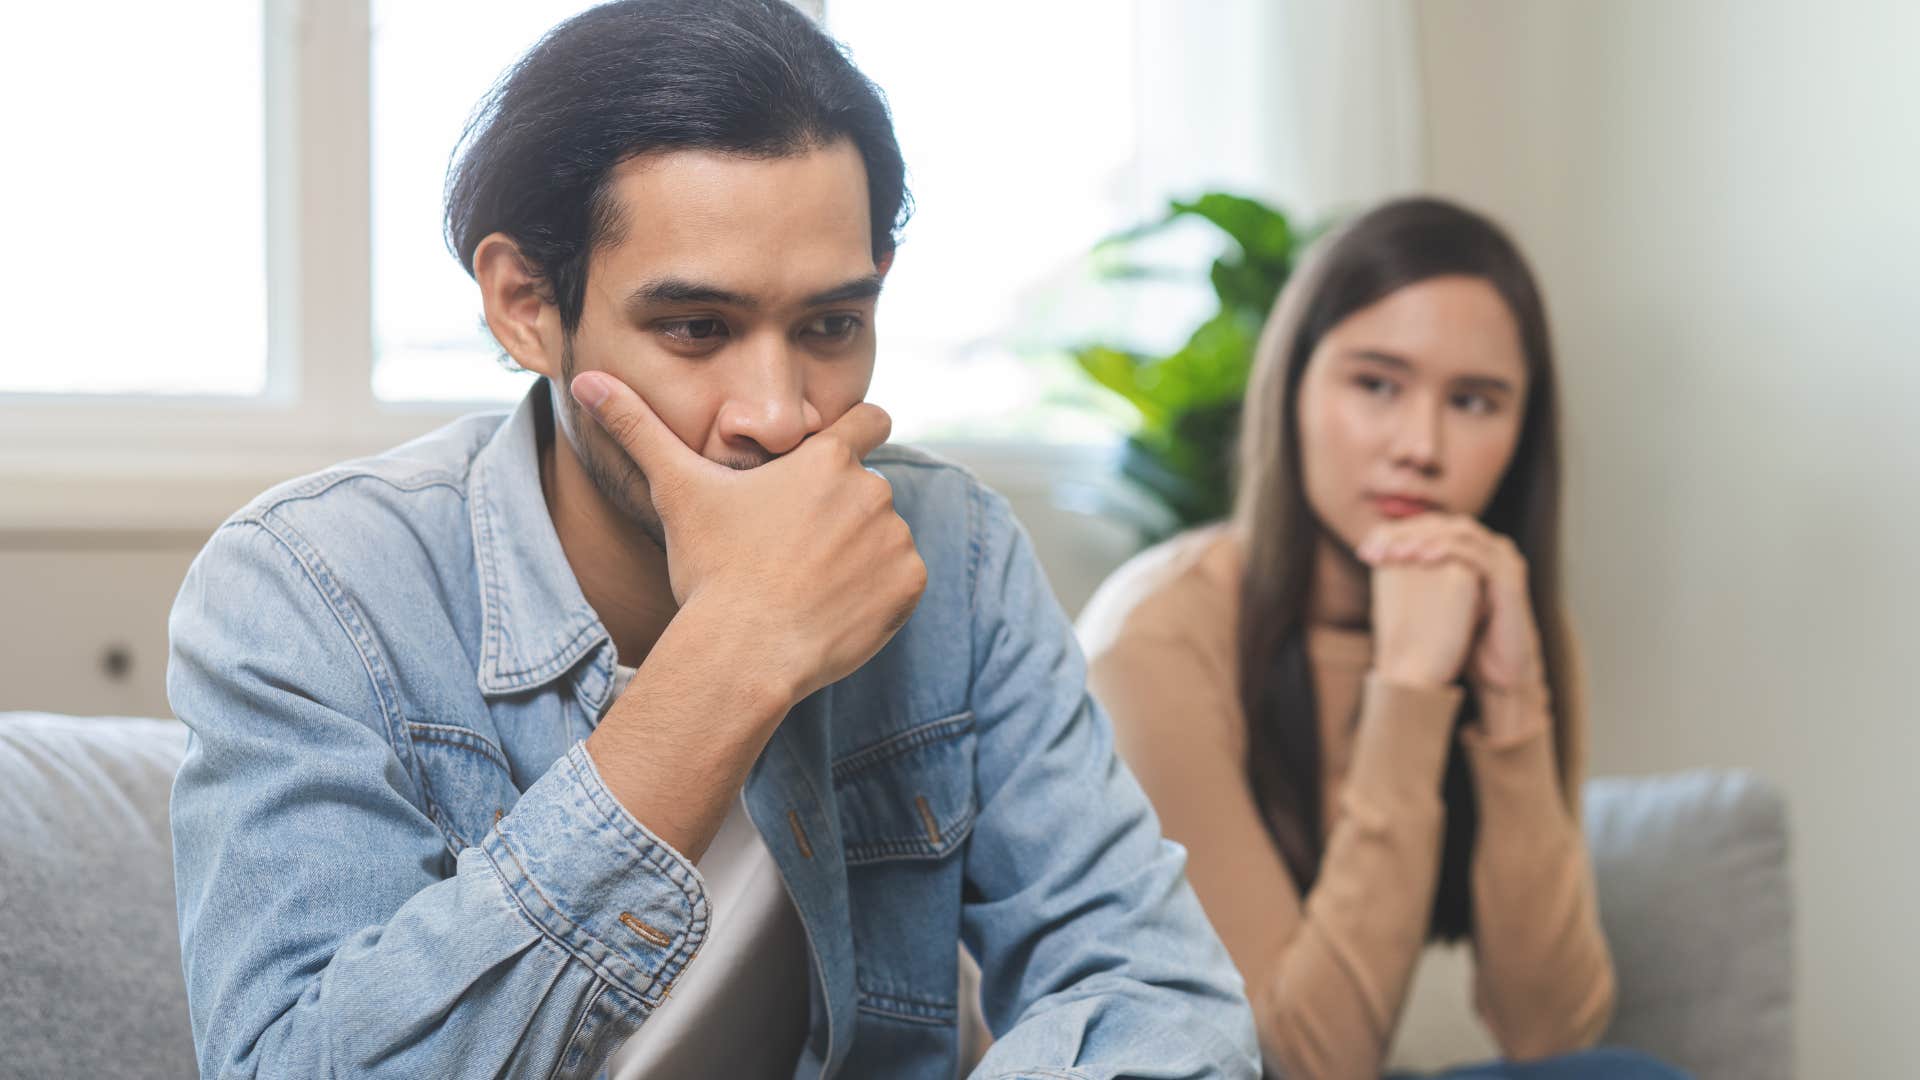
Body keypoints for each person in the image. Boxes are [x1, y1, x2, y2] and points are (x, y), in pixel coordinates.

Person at [165, 2, 1258, 1076]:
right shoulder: (311, 586)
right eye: (696, 329)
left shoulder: (954, 552)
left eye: (831, 326)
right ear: (524, 303)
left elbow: (1156, 999)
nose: (778, 415)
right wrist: (730, 659)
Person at [1078, 198, 1686, 1079]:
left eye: (1475, 401)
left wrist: (1512, 702)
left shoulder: (1510, 622)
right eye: (1376, 384)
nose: (1422, 447)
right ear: (1292, 388)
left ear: (1522, 437)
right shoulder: (1157, 636)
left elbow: (1550, 1034)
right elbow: (1300, 1061)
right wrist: (1407, 690)